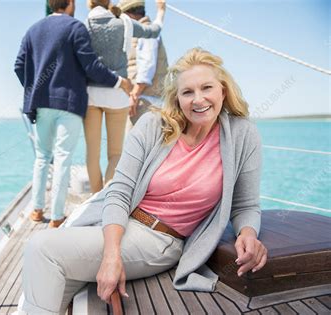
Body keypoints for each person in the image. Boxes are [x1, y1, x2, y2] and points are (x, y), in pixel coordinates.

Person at [19, 48, 268, 314]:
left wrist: (248, 233)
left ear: (223, 90)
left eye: (207, 87)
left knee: (41, 248)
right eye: (187, 92)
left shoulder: (243, 135)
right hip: (115, 225)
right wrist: (112, 255)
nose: (198, 100)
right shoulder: (154, 125)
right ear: (177, 98)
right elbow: (119, 191)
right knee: (42, 297)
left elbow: (245, 204)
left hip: (159, 240)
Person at [14, 0, 132, 228]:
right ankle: (57, 217)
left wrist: (34, 89)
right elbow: (91, 66)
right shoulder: (75, 28)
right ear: (69, 4)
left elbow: (19, 66)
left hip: (40, 103)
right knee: (62, 159)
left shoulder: (33, 29)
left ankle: (37, 211)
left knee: (41, 157)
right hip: (68, 104)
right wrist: (119, 81)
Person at [83, 0, 166, 193]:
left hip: (91, 96)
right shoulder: (126, 24)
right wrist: (161, 12)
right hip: (119, 94)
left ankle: (95, 197)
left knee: (92, 154)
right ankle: (107, 198)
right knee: (116, 154)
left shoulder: (83, 26)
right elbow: (153, 31)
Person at [119, 0, 169, 126]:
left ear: (129, 16)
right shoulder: (149, 29)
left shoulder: (145, 32)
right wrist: (161, 10)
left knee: (135, 143)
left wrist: (134, 95)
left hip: (143, 102)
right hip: (145, 100)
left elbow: (147, 65)